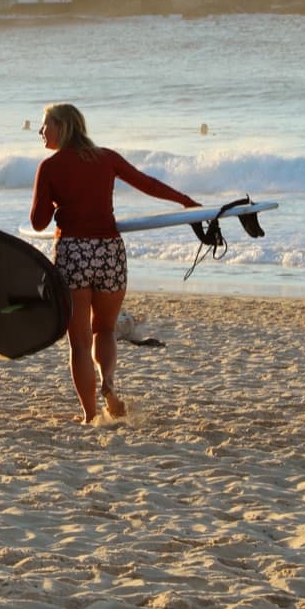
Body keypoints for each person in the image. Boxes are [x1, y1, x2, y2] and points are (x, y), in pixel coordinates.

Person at [31, 103, 201, 424]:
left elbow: (38, 223)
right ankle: (108, 385)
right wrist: (184, 201)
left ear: (62, 127)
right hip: (110, 252)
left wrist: (56, 207)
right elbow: (147, 183)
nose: (41, 132)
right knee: (105, 330)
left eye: (45, 126)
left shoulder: (50, 167)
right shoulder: (106, 157)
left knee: (79, 343)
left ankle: (89, 413)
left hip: (73, 254)